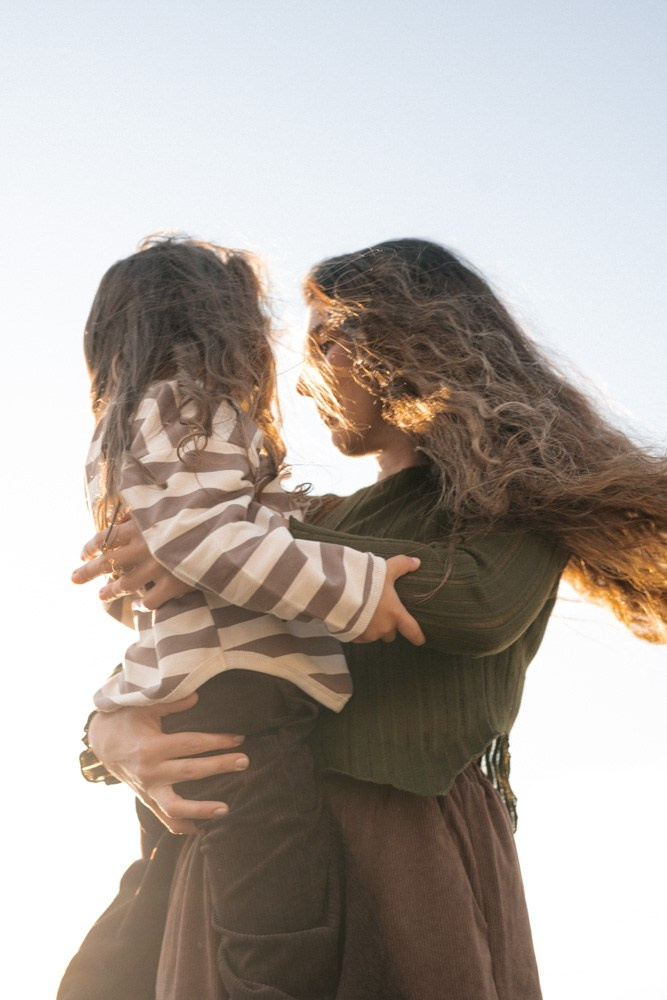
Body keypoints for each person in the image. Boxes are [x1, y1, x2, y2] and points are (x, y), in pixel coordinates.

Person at [66, 238, 667, 1000]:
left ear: (404, 344)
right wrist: (105, 735)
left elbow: (477, 606)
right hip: (246, 846)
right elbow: (197, 644)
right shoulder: (300, 520)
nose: (303, 371)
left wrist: (208, 538)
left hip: (397, 852)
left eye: (326, 341)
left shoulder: (507, 510)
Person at [60, 235, 425, 1000]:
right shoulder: (193, 403)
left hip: (191, 688)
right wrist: (357, 589)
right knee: (278, 909)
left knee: (162, 888)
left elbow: (161, 575)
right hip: (241, 693)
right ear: (218, 328)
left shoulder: (129, 426)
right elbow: (207, 541)